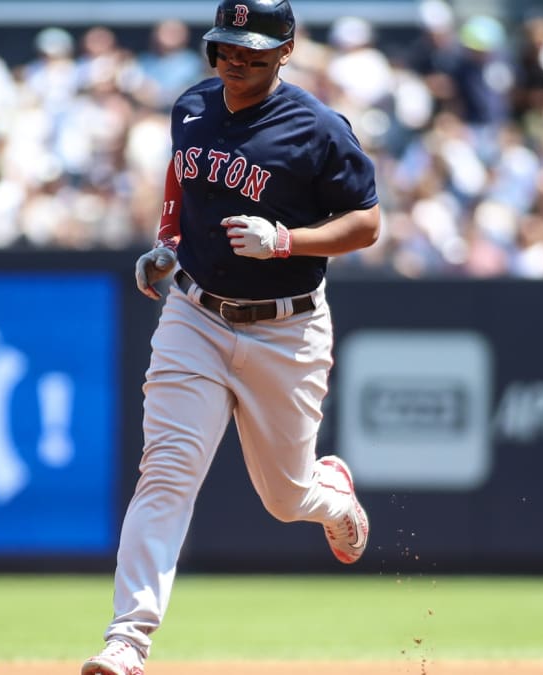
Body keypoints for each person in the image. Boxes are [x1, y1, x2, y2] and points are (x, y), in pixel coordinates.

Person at [81, 1, 380, 673]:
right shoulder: (191, 105)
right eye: (226, 50)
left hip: (288, 326)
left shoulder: (317, 129)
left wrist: (286, 241)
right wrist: (167, 242)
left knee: (285, 497)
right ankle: (128, 639)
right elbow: (182, 174)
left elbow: (367, 224)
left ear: (285, 52)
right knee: (165, 472)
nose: (236, 64)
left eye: (252, 53)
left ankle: (331, 495)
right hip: (195, 316)